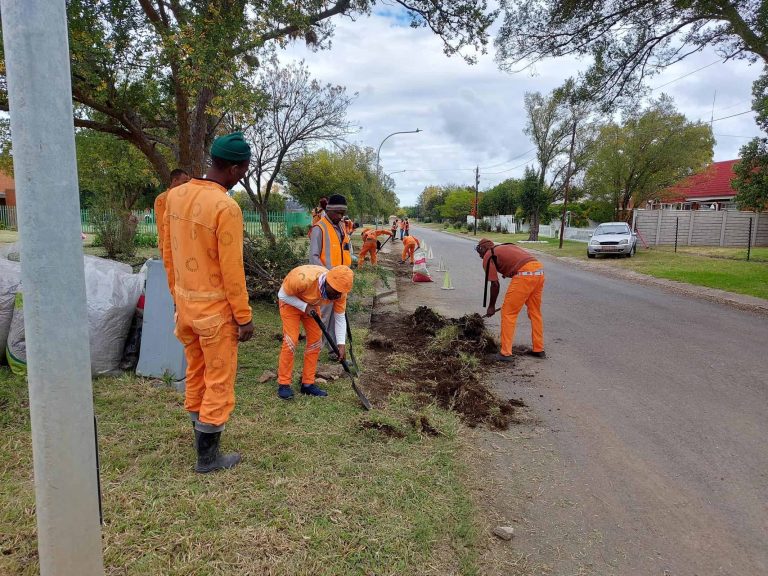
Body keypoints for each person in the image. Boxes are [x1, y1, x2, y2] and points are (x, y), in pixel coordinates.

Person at [161, 133, 254, 474]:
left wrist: (176, 297)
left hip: (185, 307)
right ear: (233, 168)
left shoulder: (175, 196)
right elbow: (232, 270)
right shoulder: (226, 207)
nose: (242, 175)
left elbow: (167, 252)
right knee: (219, 379)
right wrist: (243, 317)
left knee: (196, 371)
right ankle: (208, 457)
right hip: (215, 314)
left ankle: (198, 435)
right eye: (243, 169)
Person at [276, 264, 354, 399]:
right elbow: (282, 294)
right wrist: (305, 306)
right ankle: (284, 383)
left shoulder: (340, 292)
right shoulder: (302, 279)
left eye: (340, 293)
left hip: (312, 306)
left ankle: (307, 384)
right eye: (334, 291)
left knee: (315, 342)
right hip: (290, 303)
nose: (336, 296)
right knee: (291, 341)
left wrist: (341, 344)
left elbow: (340, 317)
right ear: (328, 282)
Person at [475, 238, 545, 362]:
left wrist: (491, 306)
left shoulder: (488, 255)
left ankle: (505, 353)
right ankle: (538, 349)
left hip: (524, 275)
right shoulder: (504, 246)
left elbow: (495, 284)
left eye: (478, 251)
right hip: (539, 271)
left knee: (508, 313)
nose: (479, 254)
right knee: (535, 313)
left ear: (483, 249)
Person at [309, 194, 352, 359]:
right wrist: (326, 278)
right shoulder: (319, 228)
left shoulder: (341, 227)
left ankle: (334, 349)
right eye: (338, 213)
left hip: (341, 281)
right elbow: (313, 257)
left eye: (343, 213)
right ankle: (314, 350)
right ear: (329, 210)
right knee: (323, 316)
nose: (341, 216)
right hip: (326, 283)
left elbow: (346, 249)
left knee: (338, 315)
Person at [154, 168, 190, 254]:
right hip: (172, 246)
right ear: (175, 180)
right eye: (185, 182)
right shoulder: (165, 198)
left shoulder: (161, 198)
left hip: (176, 245)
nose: (187, 185)